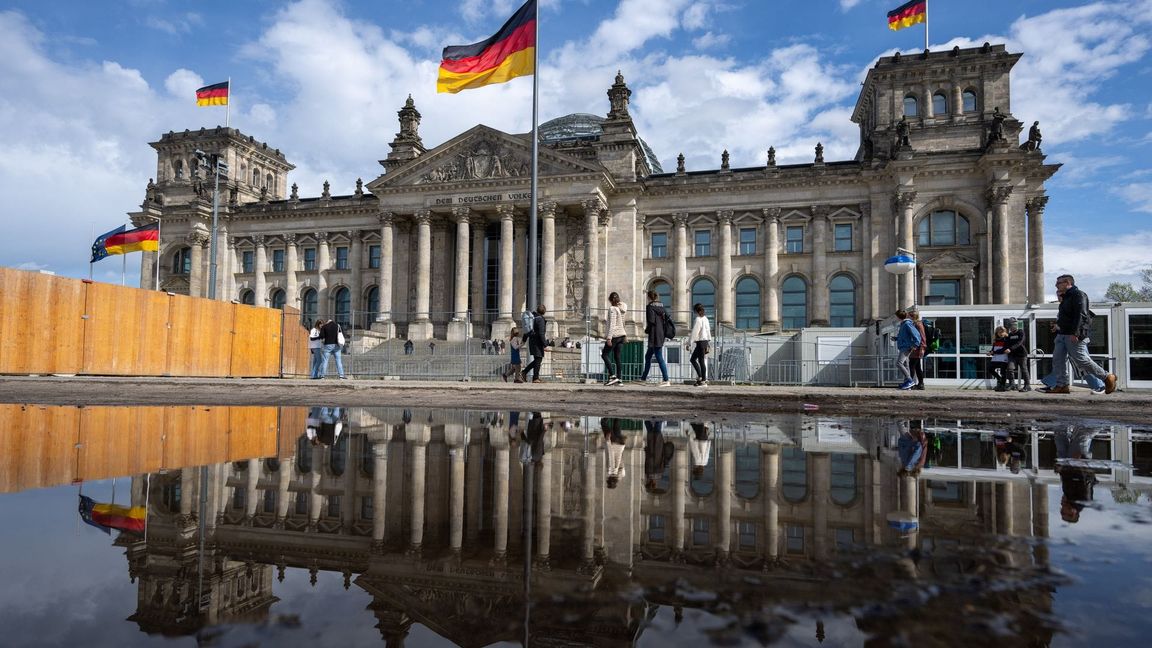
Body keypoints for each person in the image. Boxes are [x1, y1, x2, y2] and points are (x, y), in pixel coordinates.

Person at [1041, 274, 1116, 394]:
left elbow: (1081, 315)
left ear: (1067, 283)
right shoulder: (1066, 298)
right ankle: (1062, 385)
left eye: (1058, 283)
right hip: (1062, 335)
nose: (1056, 286)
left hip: (1073, 334)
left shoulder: (1079, 295)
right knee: (1057, 359)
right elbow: (1067, 317)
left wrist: (1076, 333)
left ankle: (1107, 377)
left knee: (1081, 360)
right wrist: (1058, 326)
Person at [1055, 425, 1098, 523]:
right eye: (1065, 513)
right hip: (1076, 462)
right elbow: (1087, 480)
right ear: (1074, 513)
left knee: (1059, 438)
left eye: (1062, 512)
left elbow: (1067, 481)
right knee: (1082, 437)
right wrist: (1081, 462)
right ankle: (1099, 423)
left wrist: (1060, 470)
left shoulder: (1069, 500)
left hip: (1067, 467)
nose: (1062, 510)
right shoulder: (1082, 501)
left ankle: (1061, 421)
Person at [639, 290, 671, 386]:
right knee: (648, 356)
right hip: (661, 334)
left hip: (654, 335)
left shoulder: (650, 307)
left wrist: (646, 330)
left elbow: (651, 321)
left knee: (659, 357)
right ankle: (643, 378)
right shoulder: (662, 306)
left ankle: (666, 380)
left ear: (649, 297)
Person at [601, 292, 627, 386]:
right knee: (617, 357)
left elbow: (612, 324)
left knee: (604, 355)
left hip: (615, 335)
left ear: (610, 300)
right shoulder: (621, 309)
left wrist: (609, 338)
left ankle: (612, 376)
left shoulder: (612, 309)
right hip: (622, 335)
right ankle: (619, 379)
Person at [643, 419, 674, 493]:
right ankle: (647, 420)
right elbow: (647, 460)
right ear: (647, 482)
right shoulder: (647, 473)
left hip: (658, 451)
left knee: (657, 433)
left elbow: (663, 460)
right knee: (650, 432)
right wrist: (646, 451)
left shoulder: (660, 473)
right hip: (651, 450)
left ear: (654, 483)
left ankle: (658, 421)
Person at [520, 305, 548, 383]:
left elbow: (527, 329)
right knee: (538, 359)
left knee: (537, 360)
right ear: (544, 311)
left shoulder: (532, 318)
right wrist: (545, 345)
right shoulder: (540, 319)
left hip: (532, 341)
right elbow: (541, 334)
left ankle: (529, 374)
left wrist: (524, 340)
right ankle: (534, 377)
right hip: (538, 342)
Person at [895, 309, 921, 390]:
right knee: (906, 365)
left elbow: (916, 335)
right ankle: (908, 384)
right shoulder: (903, 324)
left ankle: (909, 380)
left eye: (896, 317)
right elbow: (904, 336)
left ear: (899, 317)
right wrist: (896, 338)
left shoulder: (907, 324)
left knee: (899, 363)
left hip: (906, 347)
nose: (896, 318)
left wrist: (916, 344)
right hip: (904, 346)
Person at [687, 303, 712, 386]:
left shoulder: (698, 319)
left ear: (696, 311)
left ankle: (703, 379)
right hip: (705, 341)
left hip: (700, 342)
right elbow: (708, 331)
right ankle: (701, 378)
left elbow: (695, 332)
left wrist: (689, 343)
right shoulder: (706, 319)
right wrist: (709, 341)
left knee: (698, 360)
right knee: (697, 360)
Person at [1004, 317, 1030, 391]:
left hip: (1022, 355)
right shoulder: (1009, 335)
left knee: (1024, 369)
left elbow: (1020, 342)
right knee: (1010, 368)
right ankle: (1012, 384)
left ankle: (1027, 385)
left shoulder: (1021, 332)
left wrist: (1010, 349)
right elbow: (1006, 344)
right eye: (1010, 325)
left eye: (1013, 325)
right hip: (1012, 355)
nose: (1012, 327)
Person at [603, 418, 626, 488]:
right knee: (603, 423)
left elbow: (621, 461)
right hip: (614, 444)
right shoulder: (612, 471)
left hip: (620, 445)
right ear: (609, 480)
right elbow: (611, 455)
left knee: (617, 425)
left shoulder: (621, 474)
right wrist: (608, 441)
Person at [908, 308, 928, 390]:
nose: (908, 318)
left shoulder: (918, 325)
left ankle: (910, 383)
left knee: (911, 366)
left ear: (913, 317)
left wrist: (922, 348)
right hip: (915, 349)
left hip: (917, 349)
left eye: (909, 316)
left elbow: (923, 337)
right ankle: (920, 384)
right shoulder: (914, 324)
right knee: (917, 367)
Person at [988, 326, 1011, 391]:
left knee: (1003, 372)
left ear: (1005, 332)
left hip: (1003, 358)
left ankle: (1002, 386)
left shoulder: (1007, 339)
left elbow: (1004, 349)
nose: (1001, 334)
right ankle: (999, 379)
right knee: (990, 369)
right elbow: (993, 349)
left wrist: (994, 352)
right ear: (997, 333)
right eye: (999, 332)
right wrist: (990, 352)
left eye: (1002, 332)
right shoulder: (995, 340)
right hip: (995, 358)